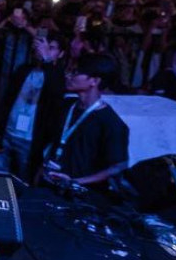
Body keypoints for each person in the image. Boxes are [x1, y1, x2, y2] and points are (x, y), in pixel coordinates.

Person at [0, 33, 68, 182]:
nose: (44, 50)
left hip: (30, 139)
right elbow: (7, 101)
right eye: (41, 45)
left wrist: (47, 60)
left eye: (51, 48)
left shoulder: (58, 76)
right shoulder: (24, 69)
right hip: (8, 133)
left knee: (22, 182)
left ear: (61, 54)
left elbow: (55, 94)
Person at [42, 53, 130, 192]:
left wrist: (75, 182)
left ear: (94, 81)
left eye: (75, 72)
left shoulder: (110, 121)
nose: (68, 75)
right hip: (50, 185)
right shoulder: (67, 106)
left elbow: (116, 167)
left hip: (81, 196)